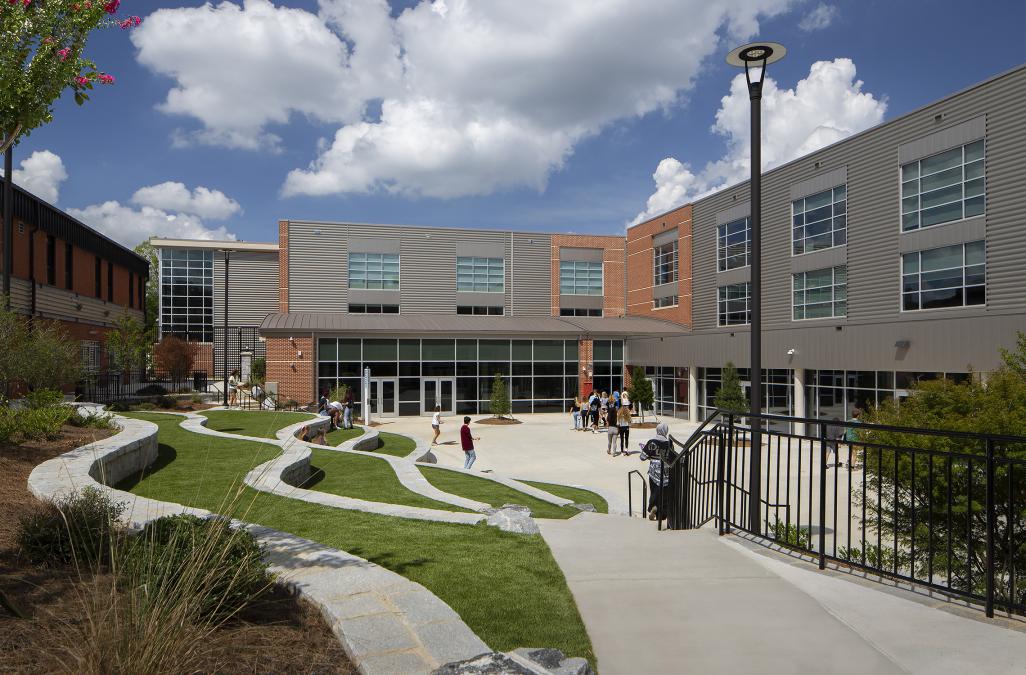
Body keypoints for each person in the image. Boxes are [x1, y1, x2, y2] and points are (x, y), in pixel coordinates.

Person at [640, 422, 673, 520]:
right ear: (666, 431)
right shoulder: (669, 443)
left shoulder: (652, 442)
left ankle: (653, 506)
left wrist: (649, 455)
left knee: (654, 490)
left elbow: (642, 457)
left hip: (654, 471)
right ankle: (662, 514)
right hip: (666, 472)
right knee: (664, 493)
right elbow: (671, 457)